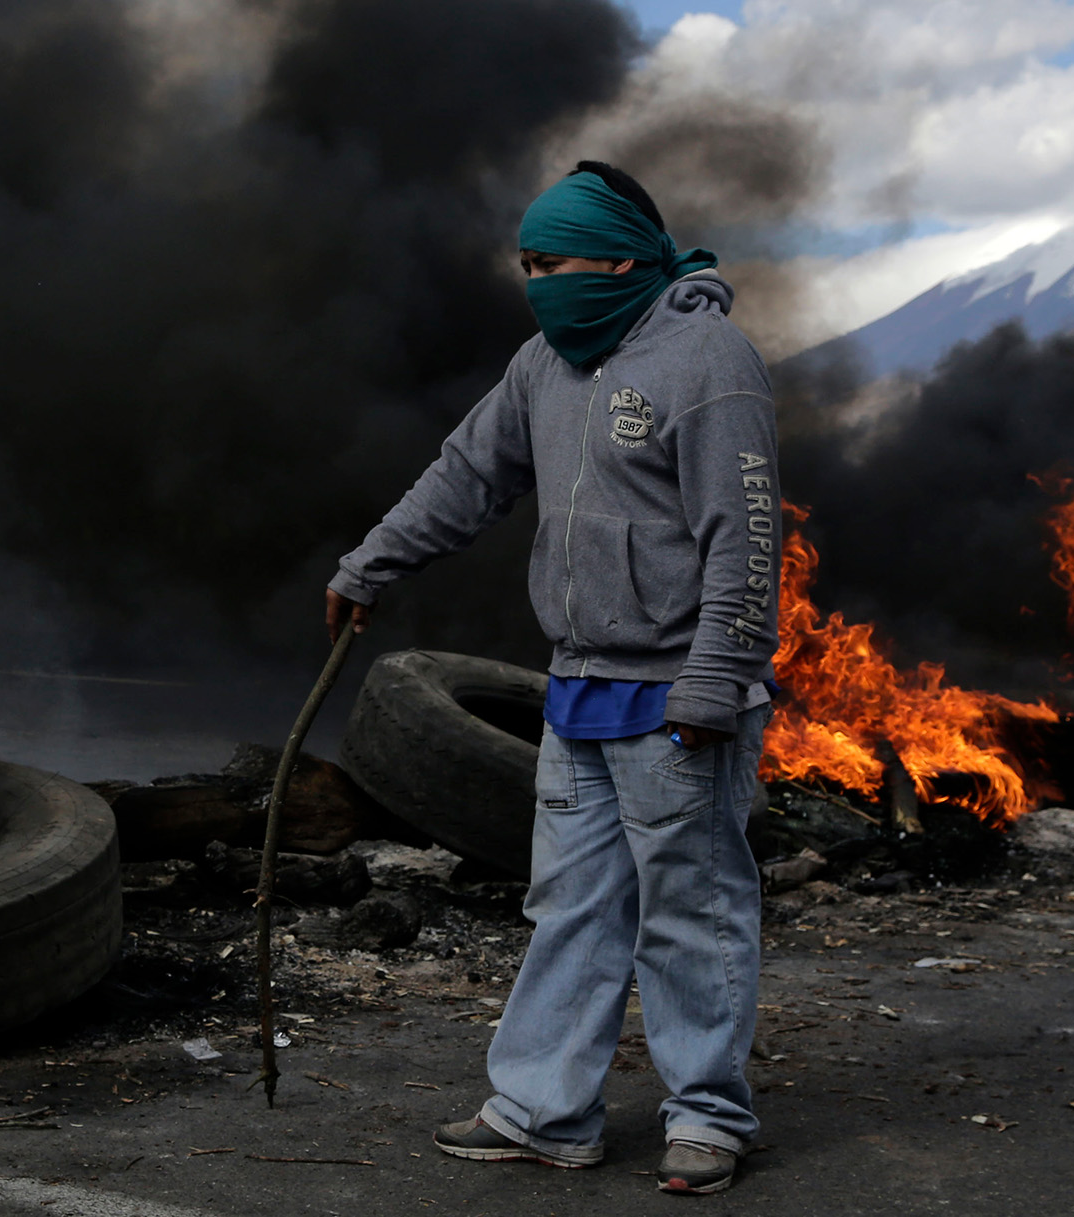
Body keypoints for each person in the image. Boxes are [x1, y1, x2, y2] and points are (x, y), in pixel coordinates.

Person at [325, 162, 780, 1196]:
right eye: (527, 266)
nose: (536, 284)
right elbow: (467, 475)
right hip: (578, 689)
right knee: (571, 903)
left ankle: (708, 1114)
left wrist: (712, 684)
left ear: (619, 255)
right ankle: (544, 1109)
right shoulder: (545, 362)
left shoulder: (709, 360)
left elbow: (745, 544)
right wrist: (370, 566)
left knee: (691, 909)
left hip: (677, 701)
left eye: (552, 262)